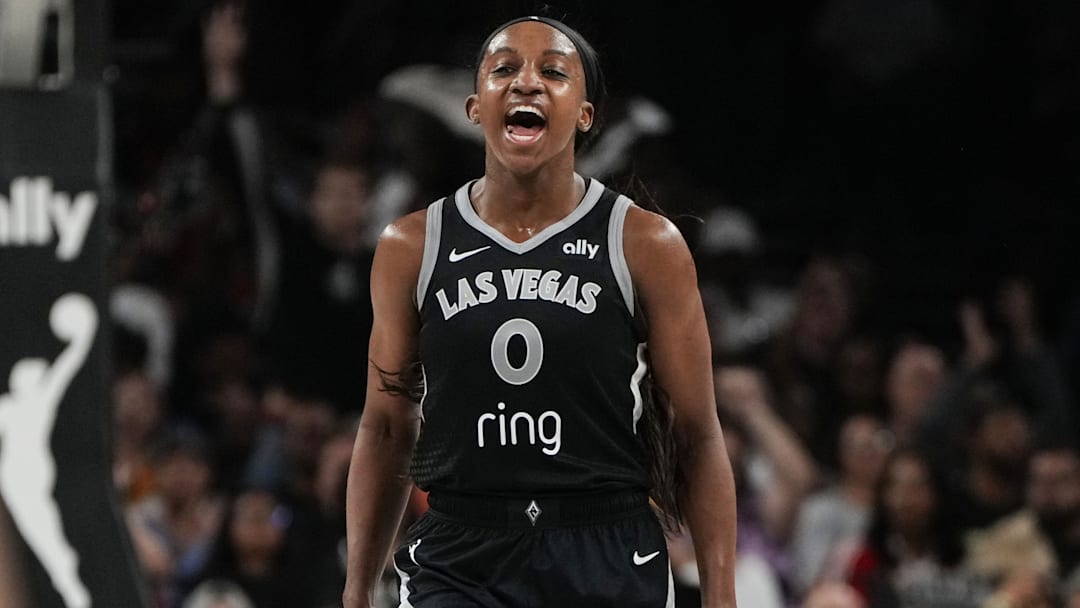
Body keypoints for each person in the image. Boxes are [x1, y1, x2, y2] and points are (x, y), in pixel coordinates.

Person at [342, 14, 738, 608]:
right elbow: (385, 427)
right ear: (476, 108)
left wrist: (721, 596)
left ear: (585, 115)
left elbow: (698, 434)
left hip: (603, 546)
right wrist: (356, 588)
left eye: (553, 71)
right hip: (461, 552)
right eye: (504, 69)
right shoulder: (411, 246)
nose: (526, 82)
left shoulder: (644, 243)